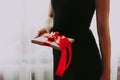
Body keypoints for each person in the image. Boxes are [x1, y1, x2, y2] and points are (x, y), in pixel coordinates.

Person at [35, 0, 111, 80]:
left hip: (84, 58)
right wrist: (46, 28)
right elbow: (52, 15)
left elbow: (102, 30)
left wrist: (107, 73)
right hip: (60, 54)